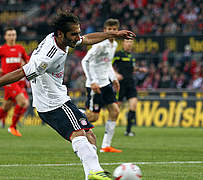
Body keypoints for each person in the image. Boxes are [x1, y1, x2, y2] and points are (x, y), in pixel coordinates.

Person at [0, 12, 135, 180]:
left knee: (89, 134)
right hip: (53, 103)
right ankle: (94, 170)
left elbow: (87, 39)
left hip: (58, 99)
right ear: (60, 34)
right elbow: (21, 72)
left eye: (78, 32)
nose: (77, 37)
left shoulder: (61, 38)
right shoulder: (47, 57)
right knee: (78, 133)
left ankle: (91, 174)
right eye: (74, 34)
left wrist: (113, 34)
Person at [81, 18, 122, 153]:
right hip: (95, 84)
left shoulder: (114, 44)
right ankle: (74, 113)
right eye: (109, 29)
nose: (112, 32)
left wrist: (114, 78)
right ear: (105, 31)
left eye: (114, 29)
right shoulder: (100, 45)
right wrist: (92, 81)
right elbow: (85, 61)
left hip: (106, 83)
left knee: (115, 111)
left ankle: (106, 146)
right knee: (93, 117)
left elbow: (107, 63)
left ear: (117, 30)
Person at [112, 38, 147, 136]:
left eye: (130, 42)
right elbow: (109, 66)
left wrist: (140, 69)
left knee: (133, 105)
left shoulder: (132, 56)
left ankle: (128, 130)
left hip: (131, 83)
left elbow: (132, 68)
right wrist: (115, 74)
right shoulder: (118, 54)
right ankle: (110, 128)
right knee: (116, 109)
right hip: (121, 84)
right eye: (127, 41)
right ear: (123, 43)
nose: (129, 44)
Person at [0, 27, 30, 137]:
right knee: (23, 102)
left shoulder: (20, 49)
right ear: (5, 37)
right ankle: (12, 127)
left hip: (19, 81)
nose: (12, 37)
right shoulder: (2, 49)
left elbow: (27, 62)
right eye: (9, 35)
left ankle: (9, 124)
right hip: (8, 81)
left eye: (13, 34)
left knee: (6, 107)